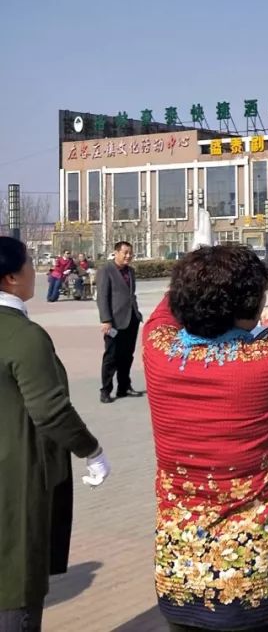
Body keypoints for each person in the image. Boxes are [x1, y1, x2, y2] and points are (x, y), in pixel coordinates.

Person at [143, 243, 268, 631]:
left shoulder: (158, 350)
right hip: (255, 574)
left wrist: (195, 261)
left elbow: (164, 314)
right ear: (247, 309)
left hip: (180, 569)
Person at [0, 237, 109, 632]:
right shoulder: (23, 337)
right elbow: (50, 410)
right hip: (16, 477)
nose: (36, 270)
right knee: (16, 586)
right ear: (11, 277)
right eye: (30, 263)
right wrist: (92, 450)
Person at [97, 241, 143, 404]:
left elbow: (131, 294)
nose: (128, 256)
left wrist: (137, 313)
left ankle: (124, 387)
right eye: (125, 253)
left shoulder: (130, 271)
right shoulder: (106, 270)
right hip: (114, 322)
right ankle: (106, 390)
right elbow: (102, 296)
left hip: (131, 319)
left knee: (127, 355)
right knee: (111, 356)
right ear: (116, 253)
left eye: (130, 253)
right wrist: (106, 320)